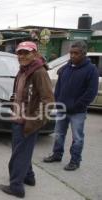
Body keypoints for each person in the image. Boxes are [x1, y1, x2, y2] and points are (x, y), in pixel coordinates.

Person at [0, 41, 54, 198]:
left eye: (26, 52)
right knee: (23, 152)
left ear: (35, 54)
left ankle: (16, 186)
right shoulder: (24, 70)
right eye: (20, 53)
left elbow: (48, 101)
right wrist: (13, 100)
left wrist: (32, 122)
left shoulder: (39, 72)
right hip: (18, 118)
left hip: (27, 121)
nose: (22, 56)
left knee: (18, 156)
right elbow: (23, 92)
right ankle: (29, 178)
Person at [43, 41, 99, 171]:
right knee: (58, 134)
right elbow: (59, 87)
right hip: (62, 109)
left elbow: (91, 92)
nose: (73, 56)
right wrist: (57, 101)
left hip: (77, 111)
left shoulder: (91, 70)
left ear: (83, 54)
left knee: (77, 137)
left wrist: (77, 106)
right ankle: (57, 155)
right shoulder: (66, 68)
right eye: (71, 53)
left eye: (76, 53)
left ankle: (75, 160)